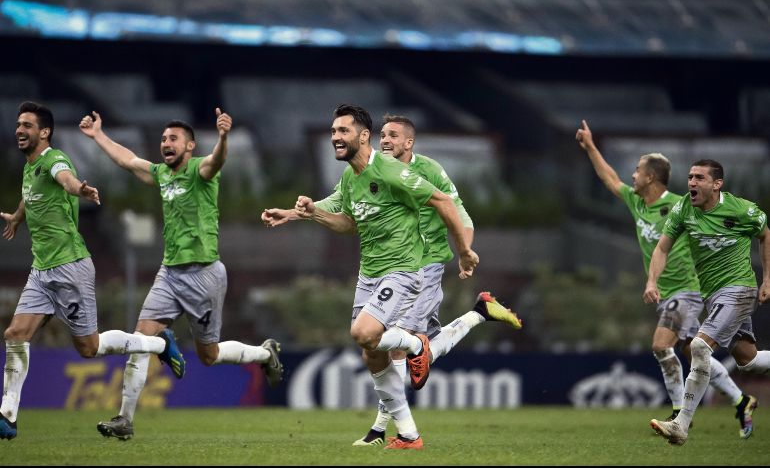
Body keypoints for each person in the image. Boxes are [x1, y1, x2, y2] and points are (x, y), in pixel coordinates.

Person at [263, 114, 522, 447]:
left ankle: (383, 427)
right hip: (373, 270)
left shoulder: (422, 170)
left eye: (393, 136)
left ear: (408, 142)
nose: (386, 141)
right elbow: (345, 212)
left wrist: (465, 251)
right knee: (377, 350)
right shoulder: (359, 174)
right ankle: (477, 315)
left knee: (395, 347)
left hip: (419, 265)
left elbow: (454, 206)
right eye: (383, 135)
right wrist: (298, 212)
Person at [78, 108, 283, 440]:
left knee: (209, 355)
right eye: (162, 139)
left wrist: (224, 137)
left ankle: (264, 353)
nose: (165, 143)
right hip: (170, 274)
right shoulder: (162, 174)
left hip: (204, 276)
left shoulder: (201, 170)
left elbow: (216, 161)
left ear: (190, 146)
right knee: (141, 339)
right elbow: (128, 161)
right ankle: (124, 419)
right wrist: (98, 135)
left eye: (173, 138)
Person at [0, 101, 185, 441]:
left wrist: (80, 189)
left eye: (27, 125)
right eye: (18, 125)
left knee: (89, 348)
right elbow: (33, 194)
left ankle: (157, 344)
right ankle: (7, 416)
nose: (19, 130)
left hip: (70, 267)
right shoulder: (30, 167)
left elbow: (65, 180)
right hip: (41, 270)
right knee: (15, 334)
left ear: (44, 132)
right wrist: (16, 216)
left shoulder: (55, 159)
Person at [575, 121, 755, 435]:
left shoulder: (680, 205)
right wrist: (590, 147)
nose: (632, 176)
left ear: (650, 176)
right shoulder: (637, 202)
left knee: (661, 345)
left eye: (637, 170)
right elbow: (610, 179)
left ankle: (678, 413)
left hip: (687, 289)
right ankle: (741, 400)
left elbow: (718, 222)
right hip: (667, 291)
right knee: (691, 352)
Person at [644, 159, 770, 445]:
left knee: (699, 346)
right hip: (713, 295)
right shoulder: (684, 209)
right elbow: (662, 247)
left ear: (717, 184)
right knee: (747, 359)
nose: (691, 183)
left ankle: (681, 425)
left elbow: (765, 235)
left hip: (738, 289)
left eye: (699, 178)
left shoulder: (741, 209)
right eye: (690, 177)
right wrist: (652, 281)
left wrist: (767, 280)